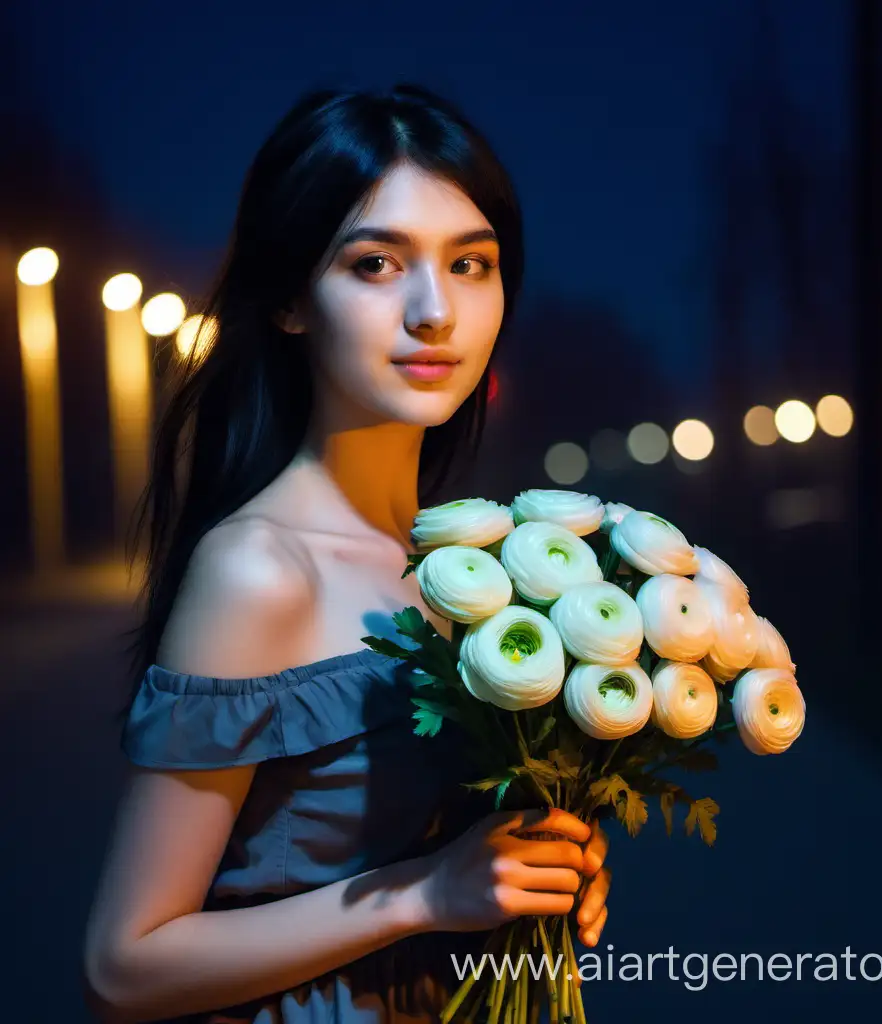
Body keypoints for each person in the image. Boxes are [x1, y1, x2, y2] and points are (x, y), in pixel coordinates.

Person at [82, 84, 611, 1024]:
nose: (435, 311)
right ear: (290, 299)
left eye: (472, 264)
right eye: (376, 263)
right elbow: (125, 965)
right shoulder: (260, 570)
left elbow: (454, 857)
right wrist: (422, 894)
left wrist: (536, 867)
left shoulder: (469, 569)